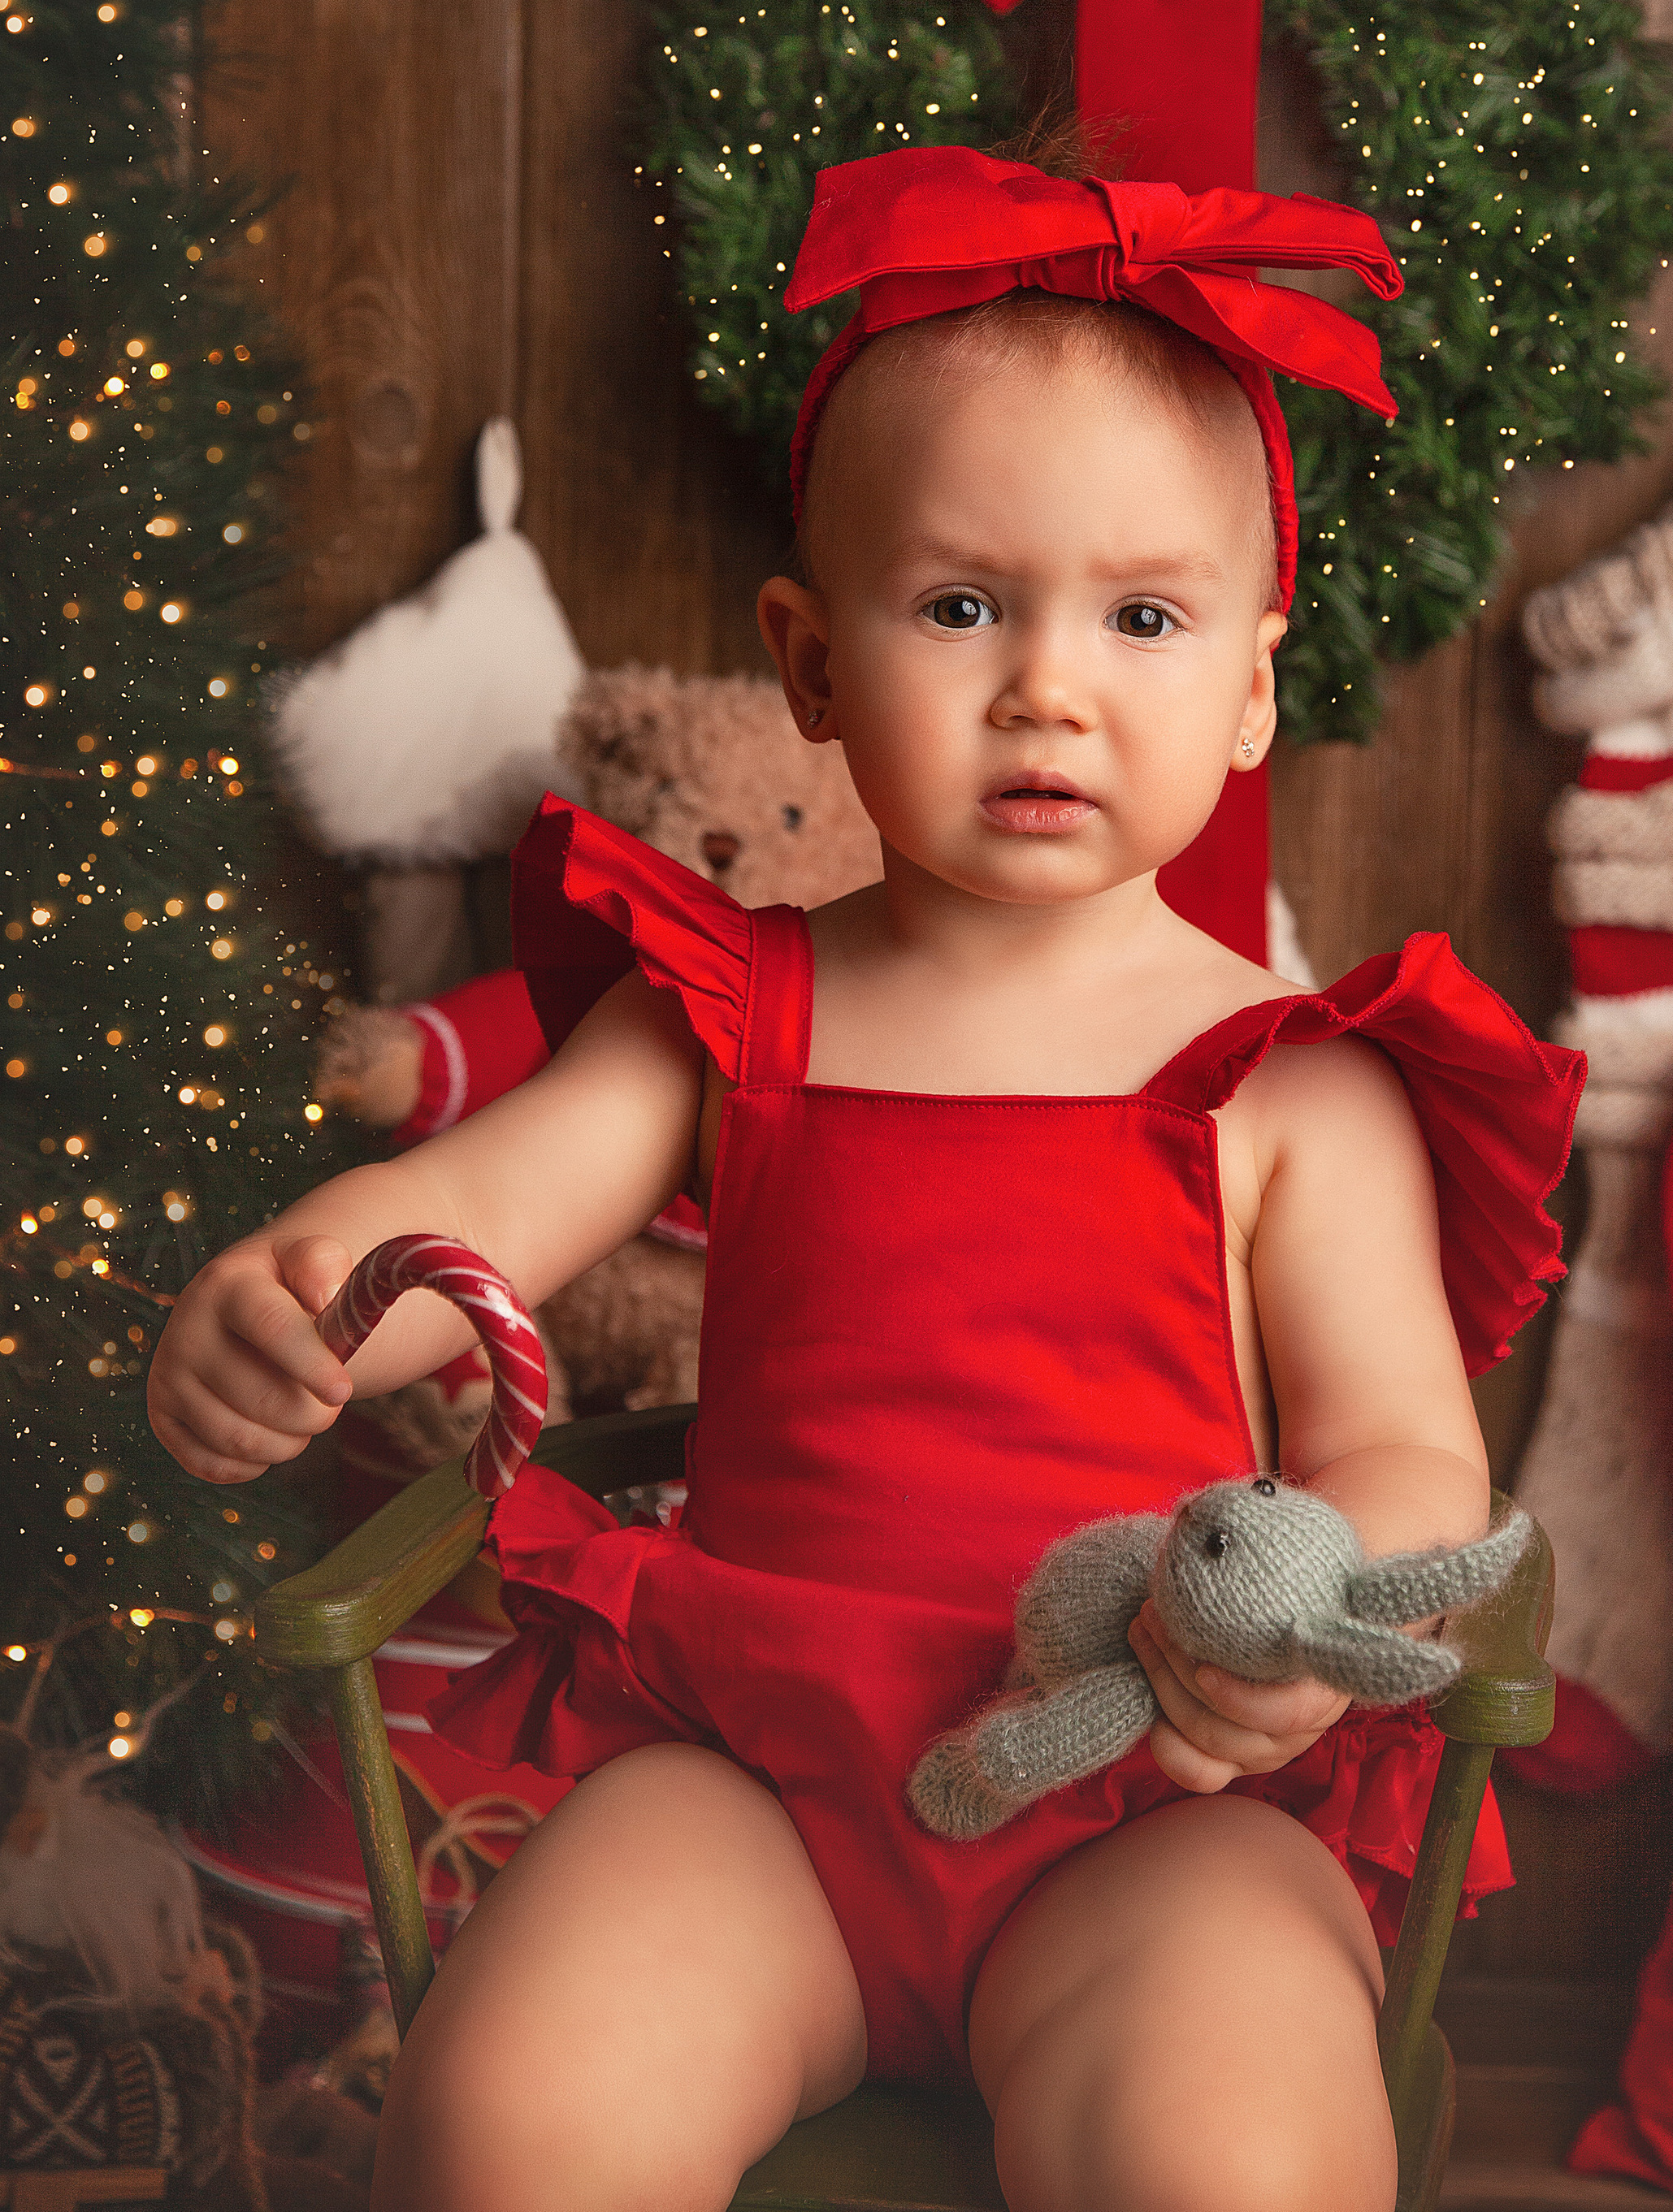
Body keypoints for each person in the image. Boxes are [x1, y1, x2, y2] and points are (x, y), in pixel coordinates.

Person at [149, 141, 1580, 2212]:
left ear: (1253, 687)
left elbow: (1404, 1457)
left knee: (1231, 2154)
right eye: (960, 605)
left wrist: (1293, 1619)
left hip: (1149, 1799)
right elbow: (478, 1214)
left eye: (1144, 616)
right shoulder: (725, 1018)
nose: (1046, 685)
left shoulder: (1295, 1085)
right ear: (812, 666)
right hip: (759, 1785)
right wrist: (291, 1295)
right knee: (507, 2118)